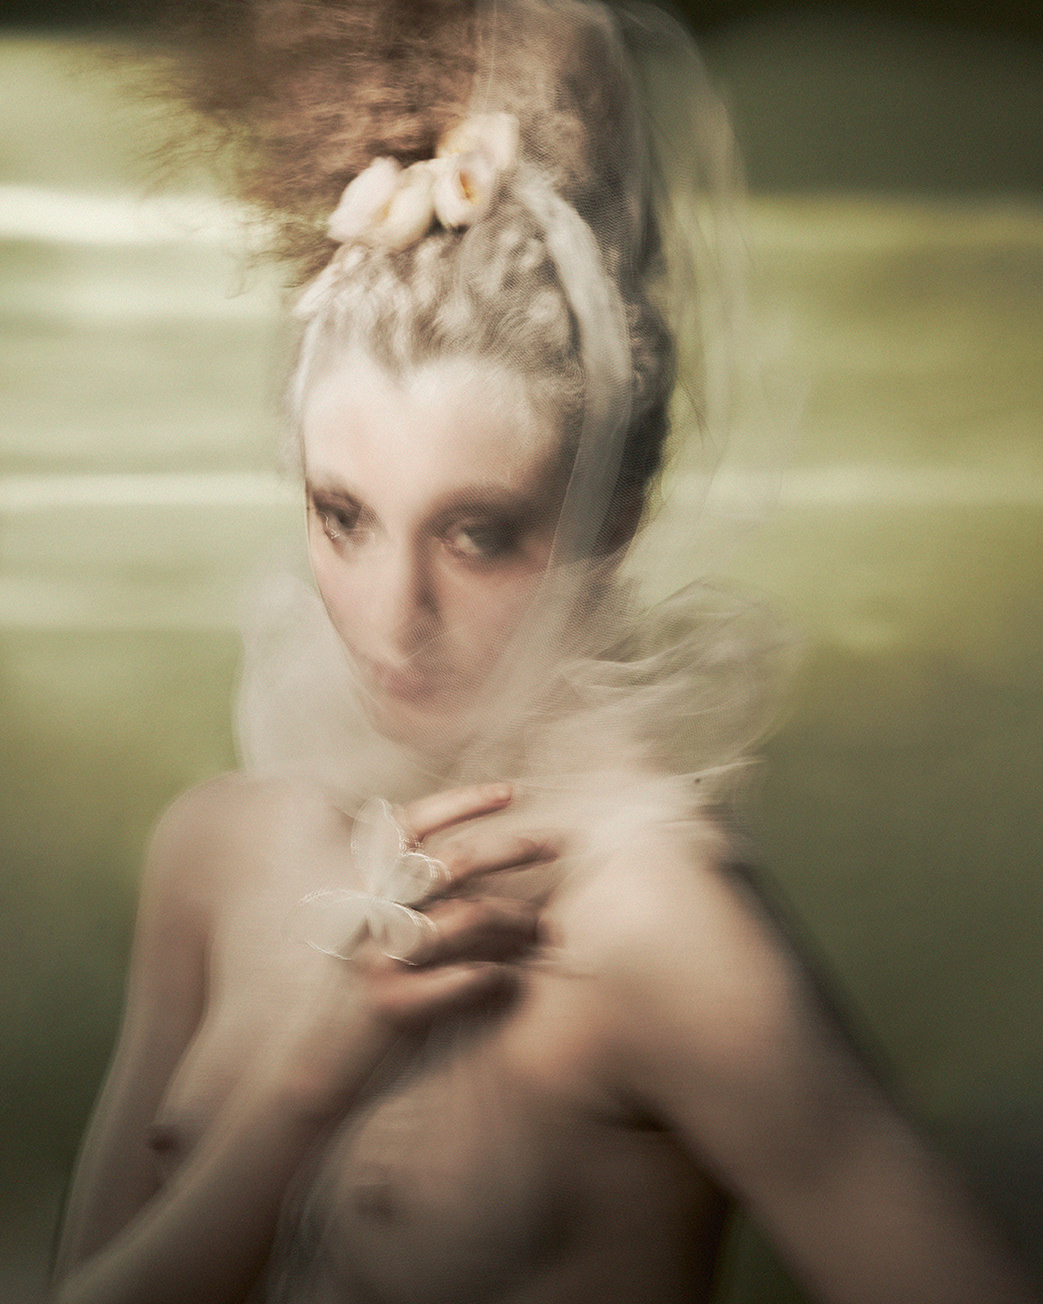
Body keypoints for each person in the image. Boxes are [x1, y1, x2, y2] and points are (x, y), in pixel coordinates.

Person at [51, 1, 1040, 1301]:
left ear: (608, 525)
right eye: (343, 516)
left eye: (478, 534)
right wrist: (304, 1087)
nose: (394, 613)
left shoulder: (655, 926)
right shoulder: (217, 852)